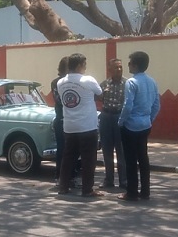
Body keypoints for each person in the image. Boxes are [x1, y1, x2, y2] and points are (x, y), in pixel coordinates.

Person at [57, 53, 103, 198]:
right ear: (78, 66)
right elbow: (100, 93)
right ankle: (87, 189)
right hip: (87, 126)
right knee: (88, 159)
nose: (85, 68)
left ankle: (63, 186)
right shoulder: (88, 80)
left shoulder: (60, 83)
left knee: (68, 157)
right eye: (84, 65)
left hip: (69, 126)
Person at [118, 51, 161, 201]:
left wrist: (121, 121)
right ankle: (145, 191)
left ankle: (131, 192)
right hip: (145, 124)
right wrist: (149, 119)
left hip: (131, 126)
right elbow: (157, 105)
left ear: (135, 65)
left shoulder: (131, 82)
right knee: (143, 158)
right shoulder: (152, 82)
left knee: (130, 160)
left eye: (129, 63)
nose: (128, 65)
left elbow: (127, 106)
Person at [98, 58, 127, 189]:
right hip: (106, 117)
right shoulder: (104, 84)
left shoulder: (127, 84)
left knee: (121, 150)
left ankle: (123, 180)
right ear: (110, 70)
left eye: (120, 67)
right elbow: (96, 97)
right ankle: (108, 180)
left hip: (120, 117)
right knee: (107, 150)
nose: (119, 70)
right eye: (116, 67)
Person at [50, 56, 68, 183]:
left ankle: (70, 175)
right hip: (61, 119)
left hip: (71, 120)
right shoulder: (56, 82)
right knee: (62, 149)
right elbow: (59, 100)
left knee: (72, 150)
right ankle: (59, 175)